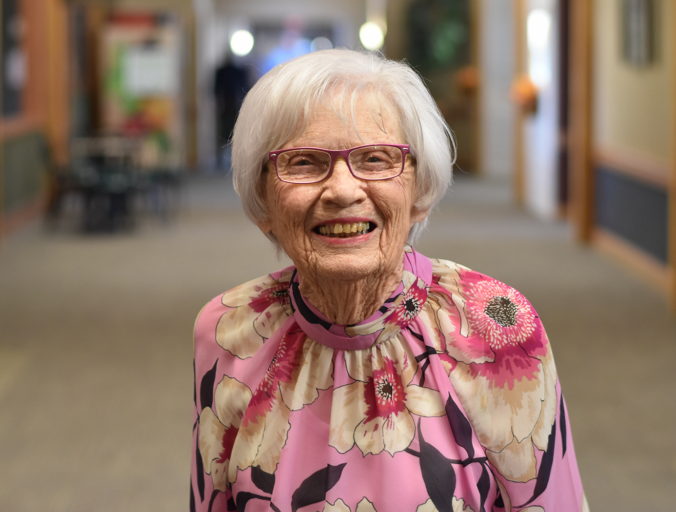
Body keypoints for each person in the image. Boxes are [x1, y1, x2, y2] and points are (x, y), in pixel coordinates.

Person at [191, 49, 587, 512]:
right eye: (304, 162)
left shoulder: (496, 323)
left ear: (419, 191)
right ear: (264, 202)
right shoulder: (228, 330)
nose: (342, 190)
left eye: (376, 158)